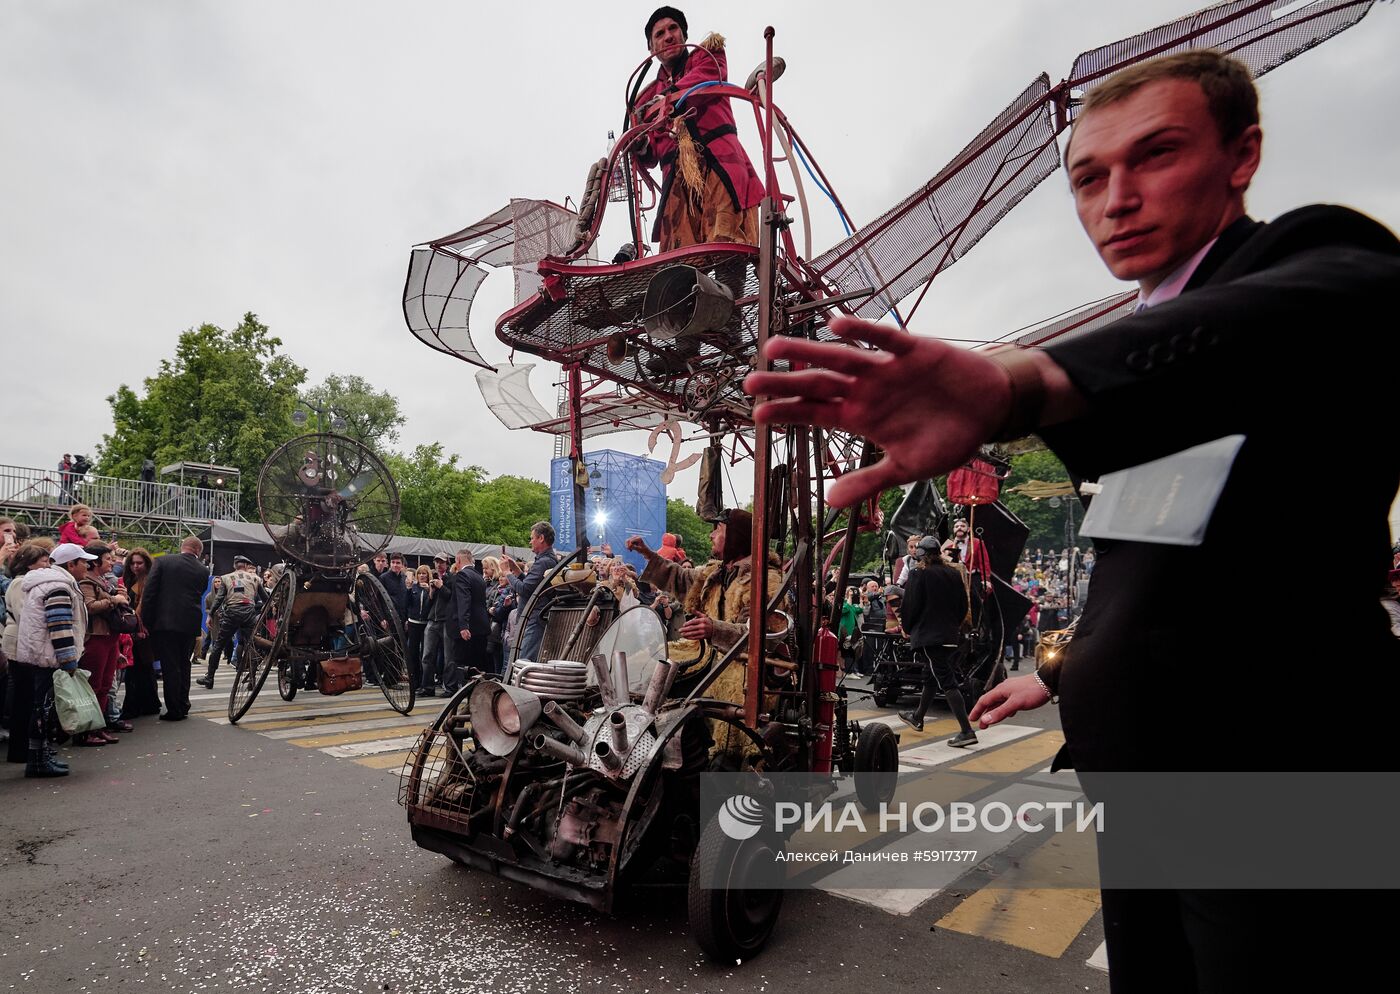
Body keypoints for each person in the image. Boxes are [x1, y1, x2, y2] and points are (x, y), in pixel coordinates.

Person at [745, 49, 1400, 990]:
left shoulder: (1312, 269)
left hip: (1285, 780)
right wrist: (1061, 677)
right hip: (1141, 785)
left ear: (1242, 154)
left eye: (1156, 156)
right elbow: (1160, 567)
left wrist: (1030, 379)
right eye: (1089, 177)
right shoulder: (1143, 387)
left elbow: (1322, 311)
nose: (1116, 198)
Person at [627, 508, 786, 763]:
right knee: (645, 661)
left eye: (718, 530)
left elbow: (764, 635)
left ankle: (730, 759)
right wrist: (648, 554)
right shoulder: (714, 571)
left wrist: (715, 630)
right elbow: (680, 577)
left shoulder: (767, 581)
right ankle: (636, 734)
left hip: (741, 662)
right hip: (701, 652)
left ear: (736, 537)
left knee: (733, 692)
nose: (712, 535)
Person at [631, 6, 764, 251]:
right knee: (678, 258)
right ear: (651, 48)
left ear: (684, 35)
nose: (668, 36)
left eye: (673, 29)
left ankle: (731, 288)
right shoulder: (644, 97)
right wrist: (641, 144)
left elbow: (709, 76)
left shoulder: (707, 55)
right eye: (659, 34)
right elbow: (650, 154)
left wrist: (667, 98)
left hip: (720, 163)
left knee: (728, 242)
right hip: (677, 179)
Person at [13, 543, 97, 776]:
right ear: (70, 564)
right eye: (83, 562)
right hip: (50, 658)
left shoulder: (50, 582)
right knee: (44, 709)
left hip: (43, 655)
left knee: (44, 708)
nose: (88, 566)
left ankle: (42, 756)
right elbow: (59, 626)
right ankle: (38, 761)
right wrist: (68, 660)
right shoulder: (58, 586)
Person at [896, 537, 976, 745]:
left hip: (930, 636)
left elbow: (911, 605)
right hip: (949, 635)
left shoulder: (918, 573)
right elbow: (962, 606)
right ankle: (918, 717)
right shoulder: (953, 573)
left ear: (922, 554)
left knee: (946, 680)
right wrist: (952, 627)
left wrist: (907, 628)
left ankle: (967, 731)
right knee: (931, 676)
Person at [140, 536, 210, 721]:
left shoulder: (163, 561)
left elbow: (149, 593)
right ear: (198, 551)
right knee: (184, 664)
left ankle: (174, 709)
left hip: (165, 622)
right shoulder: (203, 570)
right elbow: (200, 592)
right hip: (190, 623)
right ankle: (183, 703)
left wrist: (145, 622)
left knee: (170, 666)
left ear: (183, 547)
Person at [75, 541, 132, 744]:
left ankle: (98, 727)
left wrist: (120, 597)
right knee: (94, 684)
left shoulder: (104, 580)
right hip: (96, 637)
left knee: (106, 684)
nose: (112, 562)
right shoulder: (86, 581)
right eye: (108, 558)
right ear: (95, 561)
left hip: (110, 637)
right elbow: (89, 606)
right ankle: (87, 730)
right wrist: (113, 600)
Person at [4, 540, 54, 764]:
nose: (47, 565)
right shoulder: (19, 584)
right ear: (29, 564)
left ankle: (25, 747)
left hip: (26, 642)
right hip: (19, 644)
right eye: (43, 561)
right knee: (24, 697)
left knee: (28, 696)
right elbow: (27, 615)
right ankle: (19, 749)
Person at [195, 554, 262, 689]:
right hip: (249, 613)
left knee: (218, 645)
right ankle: (252, 680)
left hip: (232, 613)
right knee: (252, 645)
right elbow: (265, 598)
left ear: (234, 566)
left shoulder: (226, 578)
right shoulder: (256, 578)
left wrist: (210, 615)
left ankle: (210, 677)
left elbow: (219, 599)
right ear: (247, 566)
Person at [502, 522, 559, 664]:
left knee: (524, 663)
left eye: (532, 538)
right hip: (534, 618)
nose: (530, 541)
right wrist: (516, 571)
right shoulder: (546, 560)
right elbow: (531, 586)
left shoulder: (544, 562)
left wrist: (507, 573)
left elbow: (524, 590)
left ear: (541, 538)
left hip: (534, 618)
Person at [117, 547, 161, 719]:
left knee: (141, 668)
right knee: (140, 668)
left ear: (146, 563)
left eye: (139, 563)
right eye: (133, 563)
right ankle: (145, 704)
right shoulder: (130, 580)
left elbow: (145, 606)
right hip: (135, 628)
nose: (136, 566)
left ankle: (138, 705)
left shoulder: (149, 580)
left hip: (143, 630)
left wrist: (136, 623)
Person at [449, 549, 489, 685]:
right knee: (478, 666)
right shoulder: (479, 577)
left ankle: (465, 696)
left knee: (462, 666)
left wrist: (463, 625)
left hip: (467, 630)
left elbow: (463, 600)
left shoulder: (462, 575)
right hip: (481, 628)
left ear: (458, 560)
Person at [420, 553, 452, 694]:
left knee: (448, 657)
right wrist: (431, 592)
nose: (439, 565)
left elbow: (451, 597)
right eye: (437, 562)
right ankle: (427, 687)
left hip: (446, 621)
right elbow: (429, 604)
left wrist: (441, 587)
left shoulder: (451, 578)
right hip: (432, 620)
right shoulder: (433, 579)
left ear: (447, 564)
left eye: (442, 562)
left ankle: (449, 687)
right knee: (427, 656)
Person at [404, 565, 433, 695]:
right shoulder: (413, 587)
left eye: (424, 574)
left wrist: (430, 591)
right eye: (420, 573)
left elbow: (433, 604)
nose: (422, 576)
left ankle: (424, 682)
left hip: (426, 623)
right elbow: (406, 603)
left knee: (425, 654)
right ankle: (414, 682)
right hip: (413, 623)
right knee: (413, 653)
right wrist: (408, 589)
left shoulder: (430, 588)